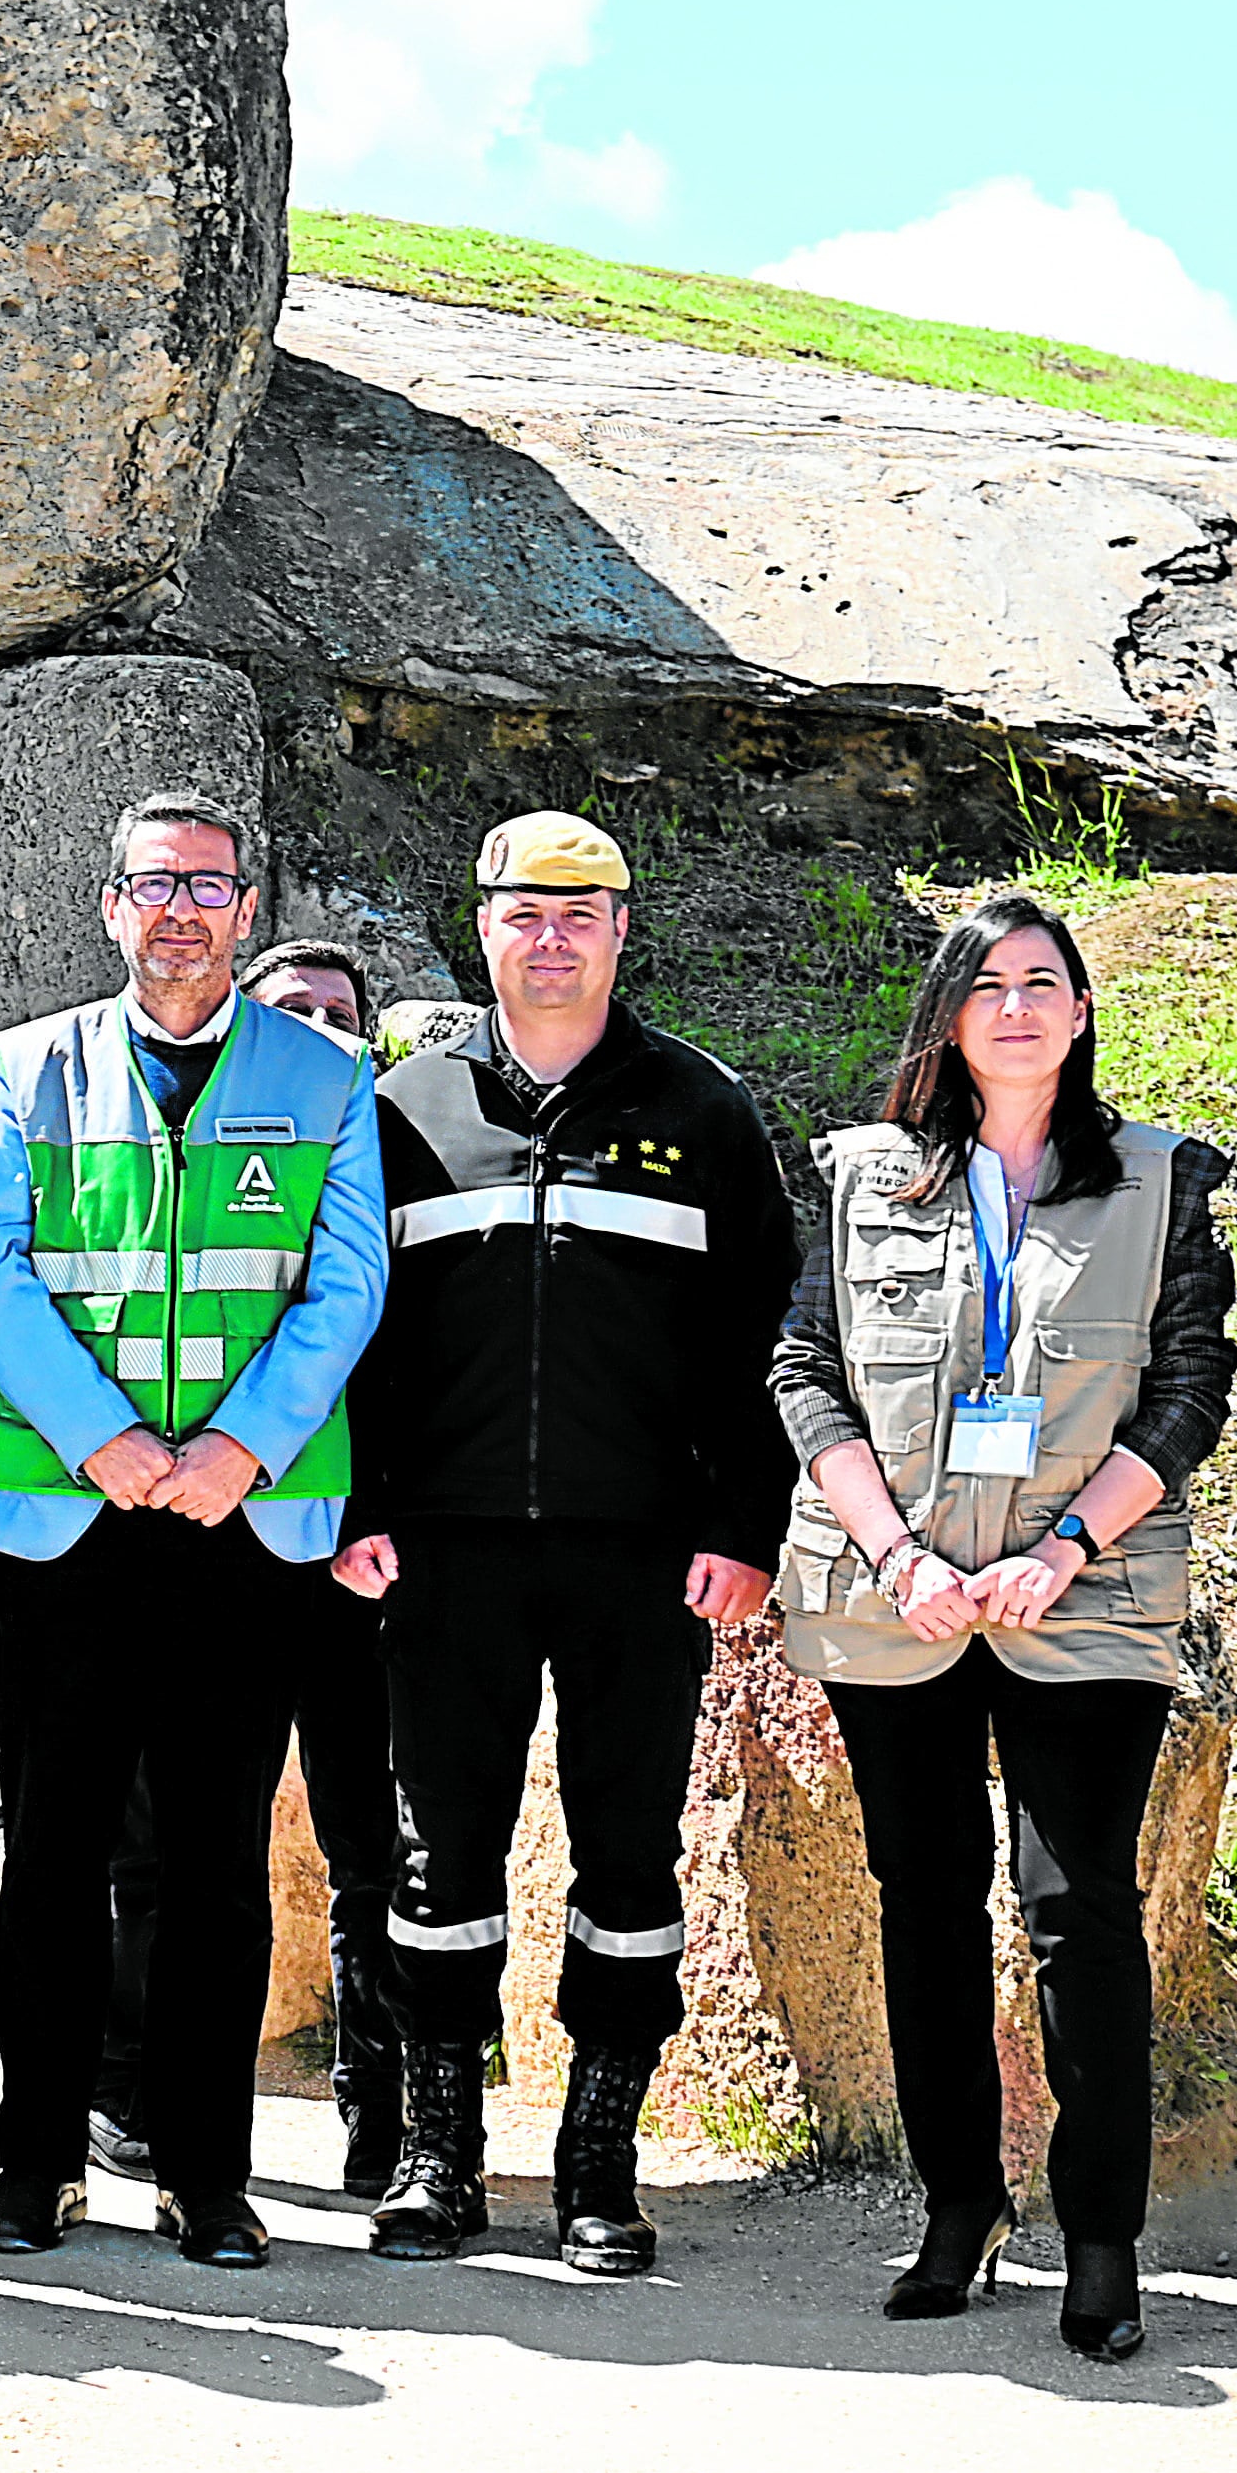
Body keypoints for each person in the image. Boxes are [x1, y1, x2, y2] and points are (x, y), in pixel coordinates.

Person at [769, 887, 1235, 2362]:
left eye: (1047, 981)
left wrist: (1069, 1544)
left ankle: (1101, 2240)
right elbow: (802, 1367)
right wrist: (897, 1549)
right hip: (900, 1593)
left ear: (1083, 1012)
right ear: (951, 1019)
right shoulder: (860, 1177)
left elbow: (1189, 1385)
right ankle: (958, 2209)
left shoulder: (1158, 1180)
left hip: (1081, 1594)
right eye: (989, 985)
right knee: (923, 1901)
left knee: (1076, 1906)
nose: (1020, 1006)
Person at [340, 816, 798, 2277]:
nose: (552, 937)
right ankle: (439, 2152)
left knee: (628, 1855)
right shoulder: (402, 1109)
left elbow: (766, 1340)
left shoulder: (703, 1110)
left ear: (620, 928)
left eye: (582, 912)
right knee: (440, 1857)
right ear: (482, 927)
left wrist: (745, 1524)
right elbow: (345, 1324)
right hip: (445, 1549)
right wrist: (358, 1507)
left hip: (643, 1555)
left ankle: (602, 2156)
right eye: (525, 912)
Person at [0, 796, 388, 2270]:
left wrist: (242, 1448)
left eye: (211, 886)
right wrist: (109, 1439)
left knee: (215, 1863)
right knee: (56, 1854)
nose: (183, 911)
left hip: (245, 1521)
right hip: (70, 1517)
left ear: (250, 908)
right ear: (111, 907)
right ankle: (36, 2163)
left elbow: (347, 1284)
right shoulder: (27, 1070)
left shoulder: (329, 1076)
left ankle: (209, 2173)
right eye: (156, 885)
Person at [97, 934, 417, 2193]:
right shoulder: (201, 1140)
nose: (322, 1030)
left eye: (344, 1014)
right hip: (194, 1524)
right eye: (294, 1012)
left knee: (371, 1843)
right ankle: (124, 2086)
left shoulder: (397, 1145)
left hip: (348, 1556)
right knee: (152, 1840)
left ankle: (381, 2110)